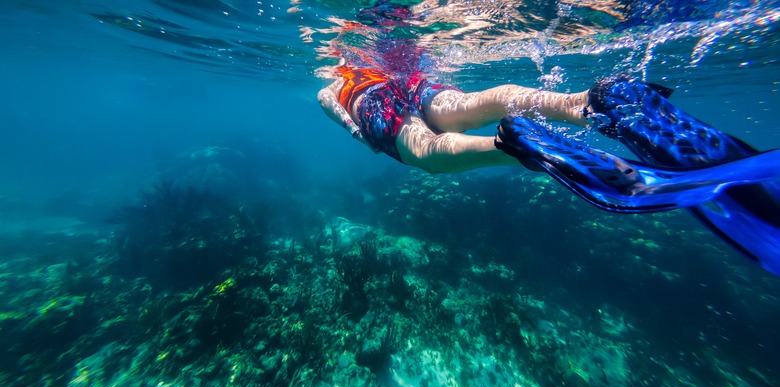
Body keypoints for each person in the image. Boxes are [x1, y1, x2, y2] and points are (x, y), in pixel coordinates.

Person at [319, 66, 780, 274]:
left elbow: (330, 104)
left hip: (369, 101)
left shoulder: (333, 78)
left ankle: (512, 146)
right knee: (473, 103)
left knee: (428, 154)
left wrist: (357, 132)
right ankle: (588, 104)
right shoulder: (378, 56)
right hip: (409, 81)